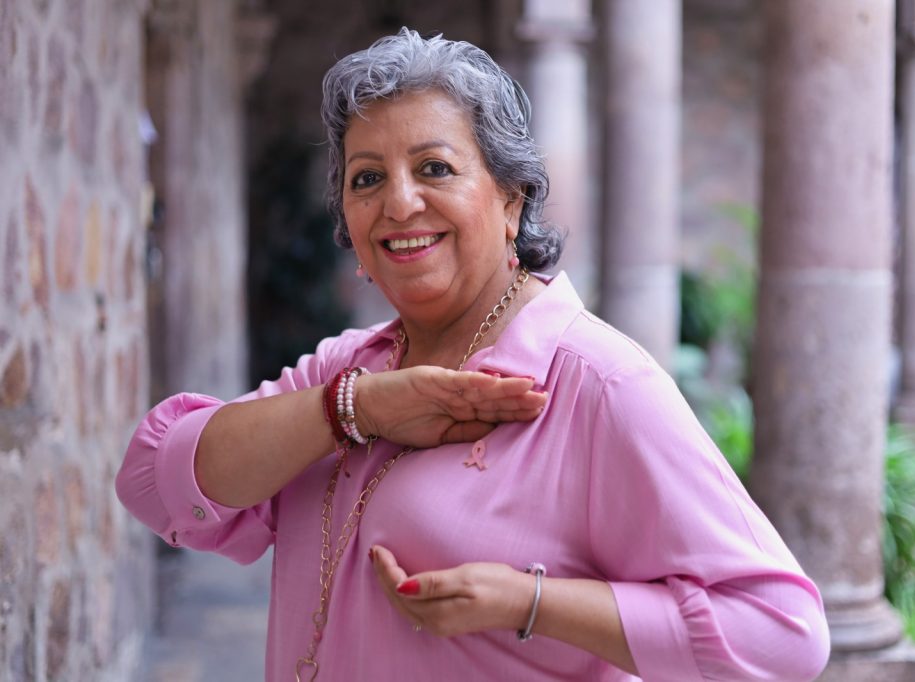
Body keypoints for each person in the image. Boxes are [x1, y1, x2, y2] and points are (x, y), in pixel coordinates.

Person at [117, 28, 830, 682]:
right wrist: (352, 409)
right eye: (367, 178)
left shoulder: (599, 383)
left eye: (434, 167)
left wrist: (528, 601)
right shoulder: (346, 370)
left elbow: (783, 634)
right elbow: (152, 481)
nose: (399, 203)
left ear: (512, 198)